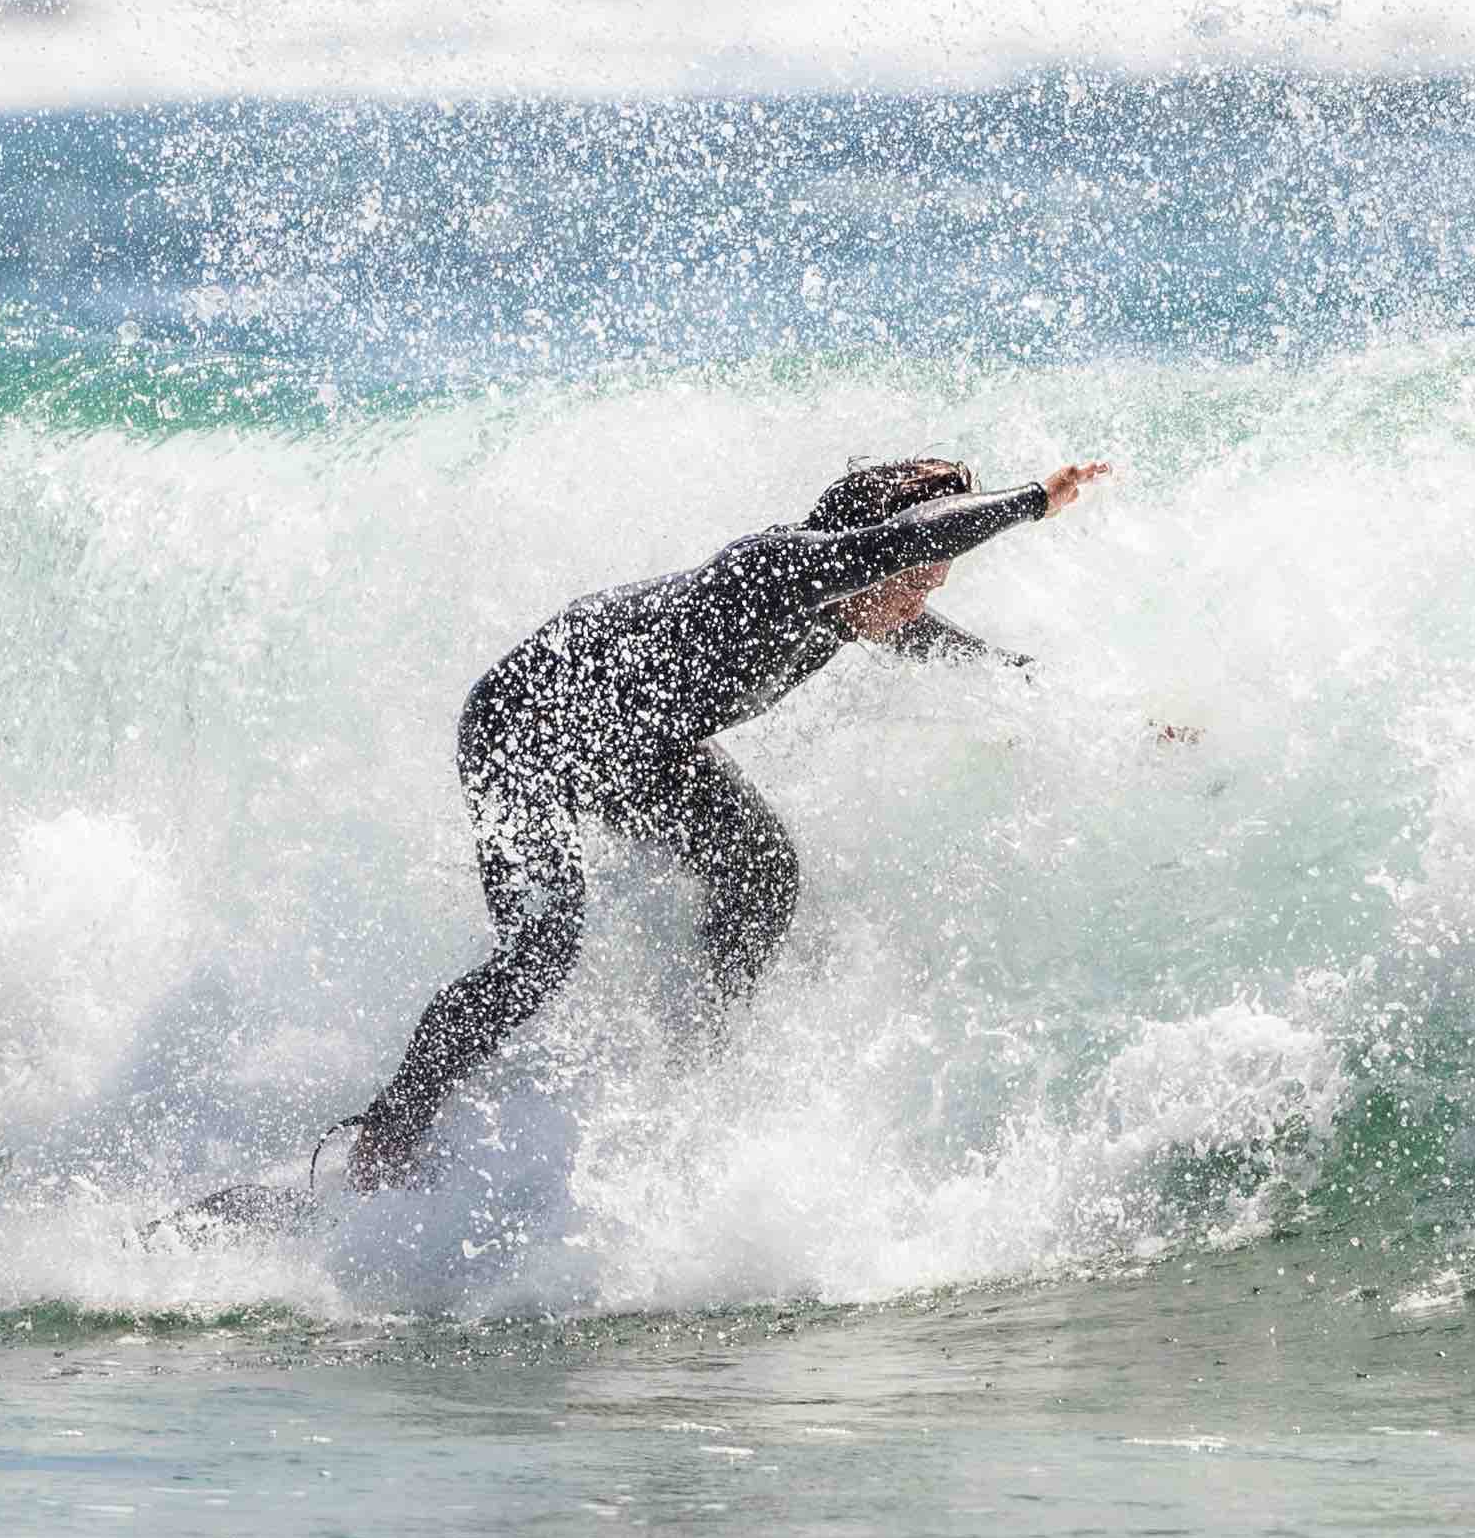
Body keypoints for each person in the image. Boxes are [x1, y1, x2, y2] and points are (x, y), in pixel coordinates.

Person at [334, 451, 1113, 1189]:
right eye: (913, 580)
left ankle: (691, 1068)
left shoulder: (854, 608)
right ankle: (389, 1132)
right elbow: (904, 540)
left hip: (637, 745)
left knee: (763, 873)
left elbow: (959, 649)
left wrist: (1091, 715)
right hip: (527, 722)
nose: (917, 600)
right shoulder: (778, 569)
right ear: (871, 552)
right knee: (540, 951)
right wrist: (1034, 500)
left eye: (931, 586)